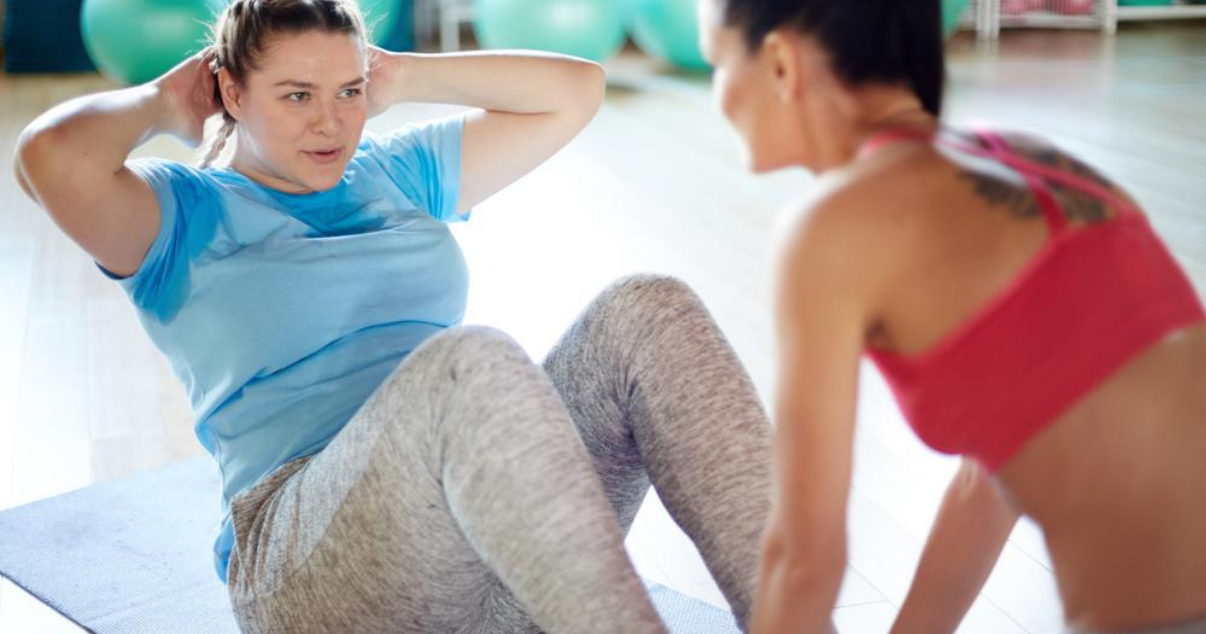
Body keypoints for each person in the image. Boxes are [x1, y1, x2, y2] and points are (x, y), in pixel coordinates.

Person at [13, 1, 774, 632]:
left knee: (646, 308)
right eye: (297, 95)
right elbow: (50, 158)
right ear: (232, 94)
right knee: (467, 363)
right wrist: (164, 102)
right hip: (313, 567)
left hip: (489, 553)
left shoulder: (394, 171)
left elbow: (576, 91)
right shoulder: (181, 214)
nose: (332, 123)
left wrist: (405, 76)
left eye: (348, 91)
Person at [695, 0, 1206, 633]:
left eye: (716, 63)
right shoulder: (1025, 156)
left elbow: (803, 566)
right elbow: (994, 473)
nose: (717, 93)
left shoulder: (830, 228)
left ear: (779, 63)